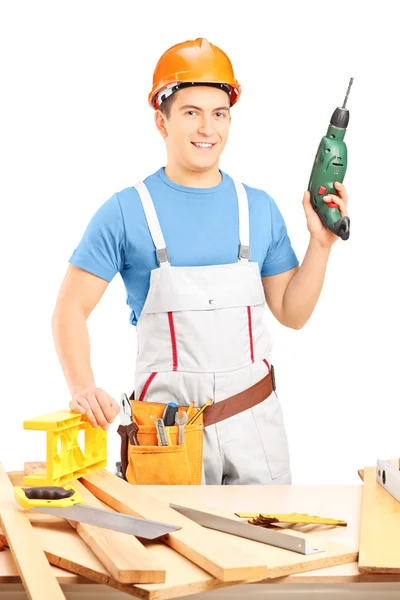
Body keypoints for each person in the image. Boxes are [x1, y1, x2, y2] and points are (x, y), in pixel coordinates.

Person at [52, 38, 349, 485]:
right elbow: (69, 311)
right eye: (191, 112)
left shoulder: (258, 209)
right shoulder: (126, 211)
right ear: (161, 120)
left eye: (219, 113)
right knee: (166, 550)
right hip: (167, 437)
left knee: (264, 547)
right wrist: (82, 387)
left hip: (255, 430)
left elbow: (292, 313)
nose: (207, 128)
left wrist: (321, 244)